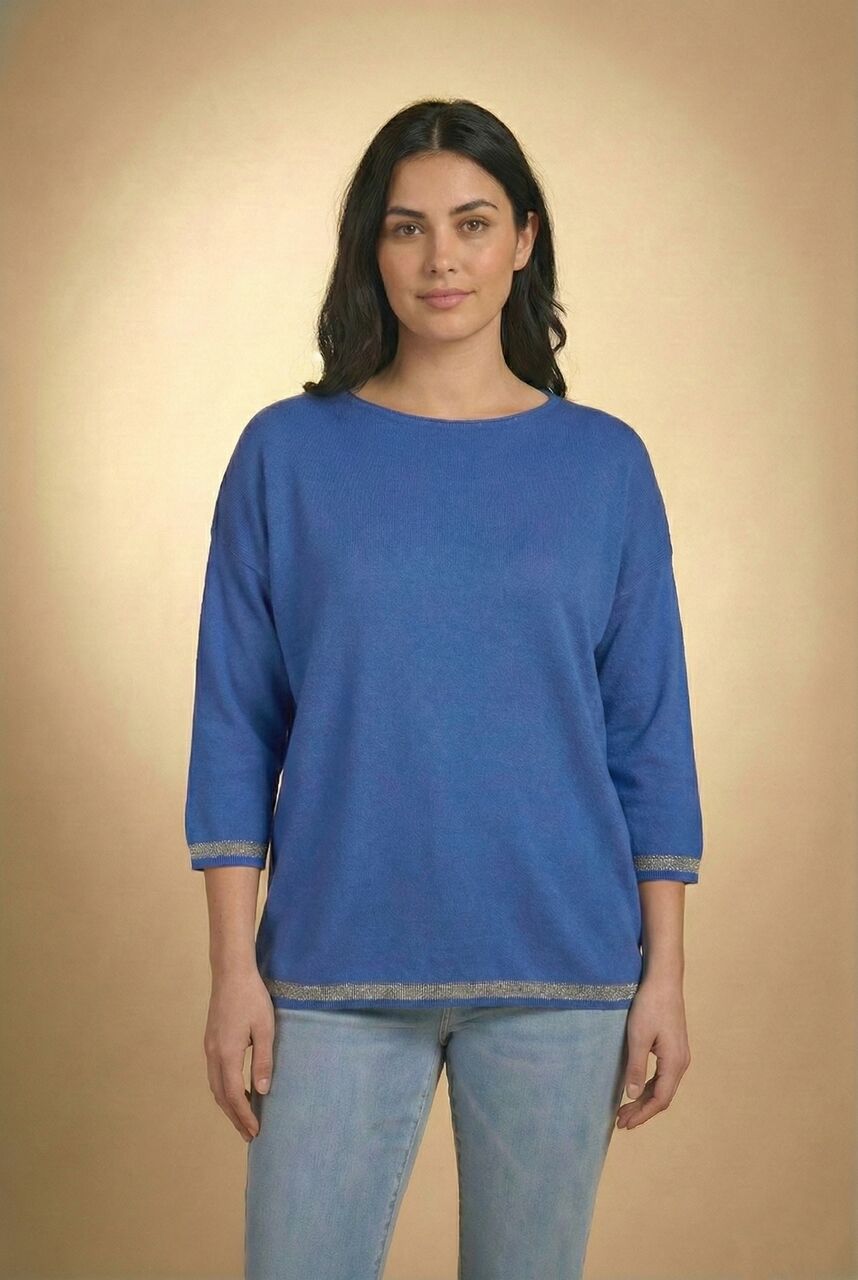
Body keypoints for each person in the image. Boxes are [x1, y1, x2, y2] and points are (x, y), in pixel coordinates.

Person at [184, 97, 704, 1280]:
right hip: (329, 968)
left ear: (524, 239)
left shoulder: (606, 465)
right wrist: (230, 972)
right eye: (406, 227)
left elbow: (648, 733)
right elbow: (235, 724)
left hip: (562, 972)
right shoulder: (285, 453)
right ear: (371, 247)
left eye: (472, 223)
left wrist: (666, 975)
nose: (441, 259)